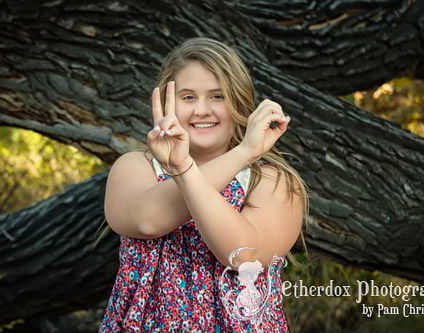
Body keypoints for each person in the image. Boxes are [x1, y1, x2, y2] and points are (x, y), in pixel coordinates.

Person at [99, 37, 308, 332]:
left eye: (217, 96)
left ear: (239, 102)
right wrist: (184, 167)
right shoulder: (136, 168)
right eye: (188, 97)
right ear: (166, 103)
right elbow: (147, 221)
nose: (201, 110)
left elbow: (245, 255)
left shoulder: (272, 180)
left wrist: (242, 154)